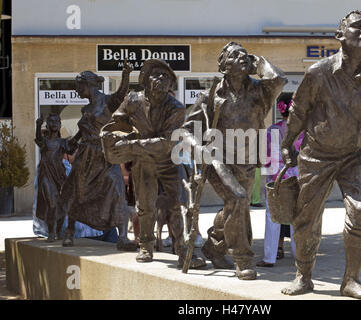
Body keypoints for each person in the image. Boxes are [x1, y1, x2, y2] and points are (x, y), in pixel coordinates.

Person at [280, 11, 361, 299]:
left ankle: (351, 279)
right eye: (358, 25)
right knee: (305, 220)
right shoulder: (318, 73)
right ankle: (304, 275)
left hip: (352, 156)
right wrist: (287, 144)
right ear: (340, 35)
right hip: (315, 154)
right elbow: (299, 112)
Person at [182, 42, 287, 280]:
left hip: (248, 160)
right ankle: (243, 258)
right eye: (234, 55)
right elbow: (187, 130)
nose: (241, 58)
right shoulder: (210, 95)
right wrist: (199, 148)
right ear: (223, 65)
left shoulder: (260, 91)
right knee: (238, 199)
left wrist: (259, 62)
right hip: (219, 159)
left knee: (236, 206)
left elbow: (279, 79)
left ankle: (214, 246)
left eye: (244, 56)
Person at [100, 58, 205, 269]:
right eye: (157, 75)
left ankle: (183, 249)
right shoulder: (133, 100)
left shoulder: (175, 107)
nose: (162, 79)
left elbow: (167, 142)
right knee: (145, 206)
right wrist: (112, 136)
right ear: (146, 80)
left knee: (179, 204)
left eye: (166, 76)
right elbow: (116, 122)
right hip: (144, 161)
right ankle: (146, 245)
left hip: (168, 159)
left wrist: (131, 145)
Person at [60, 62, 136, 252]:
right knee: (77, 192)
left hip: (104, 155)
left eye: (79, 87)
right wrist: (73, 141)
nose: (77, 91)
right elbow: (83, 129)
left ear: (89, 85)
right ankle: (69, 232)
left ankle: (123, 236)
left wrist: (125, 74)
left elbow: (120, 94)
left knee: (117, 189)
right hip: (85, 157)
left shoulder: (108, 102)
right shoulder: (86, 110)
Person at [256, 100, 303, 267]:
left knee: (272, 217)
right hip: (296, 179)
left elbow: (265, 158)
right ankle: (300, 257)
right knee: (297, 217)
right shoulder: (303, 133)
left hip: (275, 179)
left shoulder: (272, 131)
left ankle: (269, 257)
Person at [34, 114, 75, 242]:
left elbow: (71, 150)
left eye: (57, 121)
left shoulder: (63, 142)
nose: (54, 123)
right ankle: (51, 232)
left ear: (60, 124)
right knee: (51, 203)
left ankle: (58, 232)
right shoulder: (44, 141)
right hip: (46, 173)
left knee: (61, 204)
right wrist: (38, 125)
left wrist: (80, 134)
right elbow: (38, 138)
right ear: (47, 124)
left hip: (59, 174)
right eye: (51, 121)